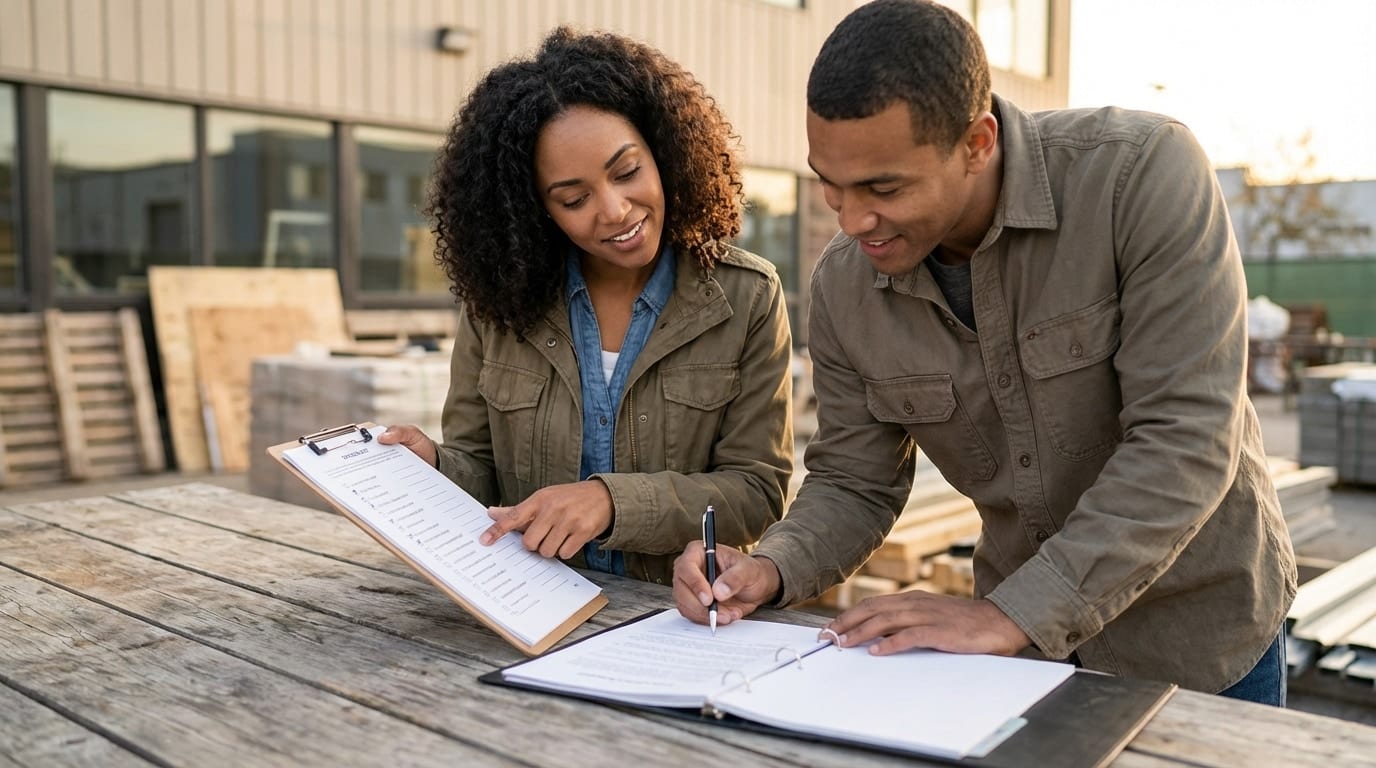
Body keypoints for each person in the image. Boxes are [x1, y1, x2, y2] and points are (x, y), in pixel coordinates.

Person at [674, 0, 1296, 706]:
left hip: (1199, 641)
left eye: (883, 188)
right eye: (830, 183)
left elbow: (1185, 439)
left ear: (977, 143)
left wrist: (1010, 615)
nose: (851, 219)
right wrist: (770, 568)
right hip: (1016, 660)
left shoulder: (1141, 177)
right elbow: (854, 481)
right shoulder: (844, 285)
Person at [382, 27, 794, 586]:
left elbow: (756, 493)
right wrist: (432, 464)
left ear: (664, 153)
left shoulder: (746, 297)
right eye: (575, 199)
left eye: (627, 173)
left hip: (673, 610)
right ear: (536, 210)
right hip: (531, 605)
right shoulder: (499, 303)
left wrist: (610, 502)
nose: (615, 210)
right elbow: (480, 474)